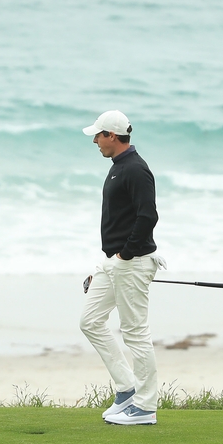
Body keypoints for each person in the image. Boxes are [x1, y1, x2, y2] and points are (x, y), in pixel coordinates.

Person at [79, 110, 166, 425]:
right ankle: (127, 388)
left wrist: (125, 256)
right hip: (113, 262)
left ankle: (145, 407)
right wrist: (105, 263)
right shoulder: (119, 167)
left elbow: (147, 216)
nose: (94, 141)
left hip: (131, 263)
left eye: (98, 135)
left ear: (111, 136)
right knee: (90, 321)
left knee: (135, 333)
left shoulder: (135, 170)